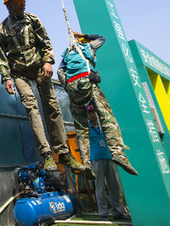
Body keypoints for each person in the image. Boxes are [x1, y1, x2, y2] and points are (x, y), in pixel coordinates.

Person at [0, 0, 86, 174]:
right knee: (31, 108)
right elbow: (2, 57)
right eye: (20, 0)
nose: (24, 3)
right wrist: (7, 78)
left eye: (24, 0)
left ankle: (63, 152)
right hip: (19, 73)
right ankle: (46, 155)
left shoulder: (33, 20)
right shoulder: (1, 30)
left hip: (39, 67)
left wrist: (48, 62)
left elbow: (45, 42)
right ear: (10, 4)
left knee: (52, 106)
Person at [57, 31, 138, 177]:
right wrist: (84, 35)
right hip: (86, 81)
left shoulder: (66, 54)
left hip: (71, 88)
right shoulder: (88, 47)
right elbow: (102, 38)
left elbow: (60, 71)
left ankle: (86, 162)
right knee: (107, 117)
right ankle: (118, 153)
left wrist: (68, 87)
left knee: (81, 128)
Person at [88, 108, 130, 221]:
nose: (92, 115)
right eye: (90, 113)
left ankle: (117, 211)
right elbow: (79, 141)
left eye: (93, 112)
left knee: (114, 185)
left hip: (109, 157)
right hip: (96, 159)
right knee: (100, 187)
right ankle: (103, 213)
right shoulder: (86, 128)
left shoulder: (103, 125)